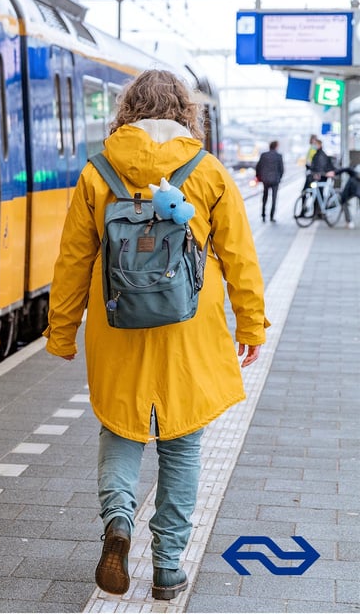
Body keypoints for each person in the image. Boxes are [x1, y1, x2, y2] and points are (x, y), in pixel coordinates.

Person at [43, 69, 269, 601]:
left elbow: (73, 260)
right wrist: (252, 324)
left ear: (128, 110)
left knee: (121, 429)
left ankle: (118, 521)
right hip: (189, 326)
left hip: (117, 323)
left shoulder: (97, 172)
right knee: (183, 443)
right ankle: (167, 566)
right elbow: (239, 257)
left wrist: (62, 332)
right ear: (185, 111)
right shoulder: (208, 170)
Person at [254, 140, 284, 222]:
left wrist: (258, 176)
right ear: (276, 146)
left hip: (265, 179)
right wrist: (279, 178)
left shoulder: (264, 155)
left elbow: (258, 167)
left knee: (265, 197)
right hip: (275, 180)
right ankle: (272, 216)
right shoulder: (279, 156)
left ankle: (263, 215)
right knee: (274, 198)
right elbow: (281, 169)